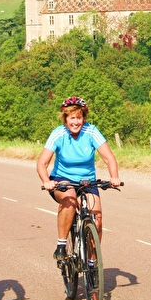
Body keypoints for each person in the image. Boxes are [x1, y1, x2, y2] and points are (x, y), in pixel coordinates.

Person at [37, 96, 120, 262]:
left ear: (84, 118)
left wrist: (114, 177)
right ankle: (61, 245)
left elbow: (109, 158)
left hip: (87, 181)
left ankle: (93, 263)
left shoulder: (91, 132)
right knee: (70, 198)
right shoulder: (58, 133)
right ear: (66, 119)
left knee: (97, 220)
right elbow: (42, 162)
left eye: (79, 117)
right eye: (72, 118)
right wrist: (47, 181)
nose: (76, 122)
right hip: (62, 179)